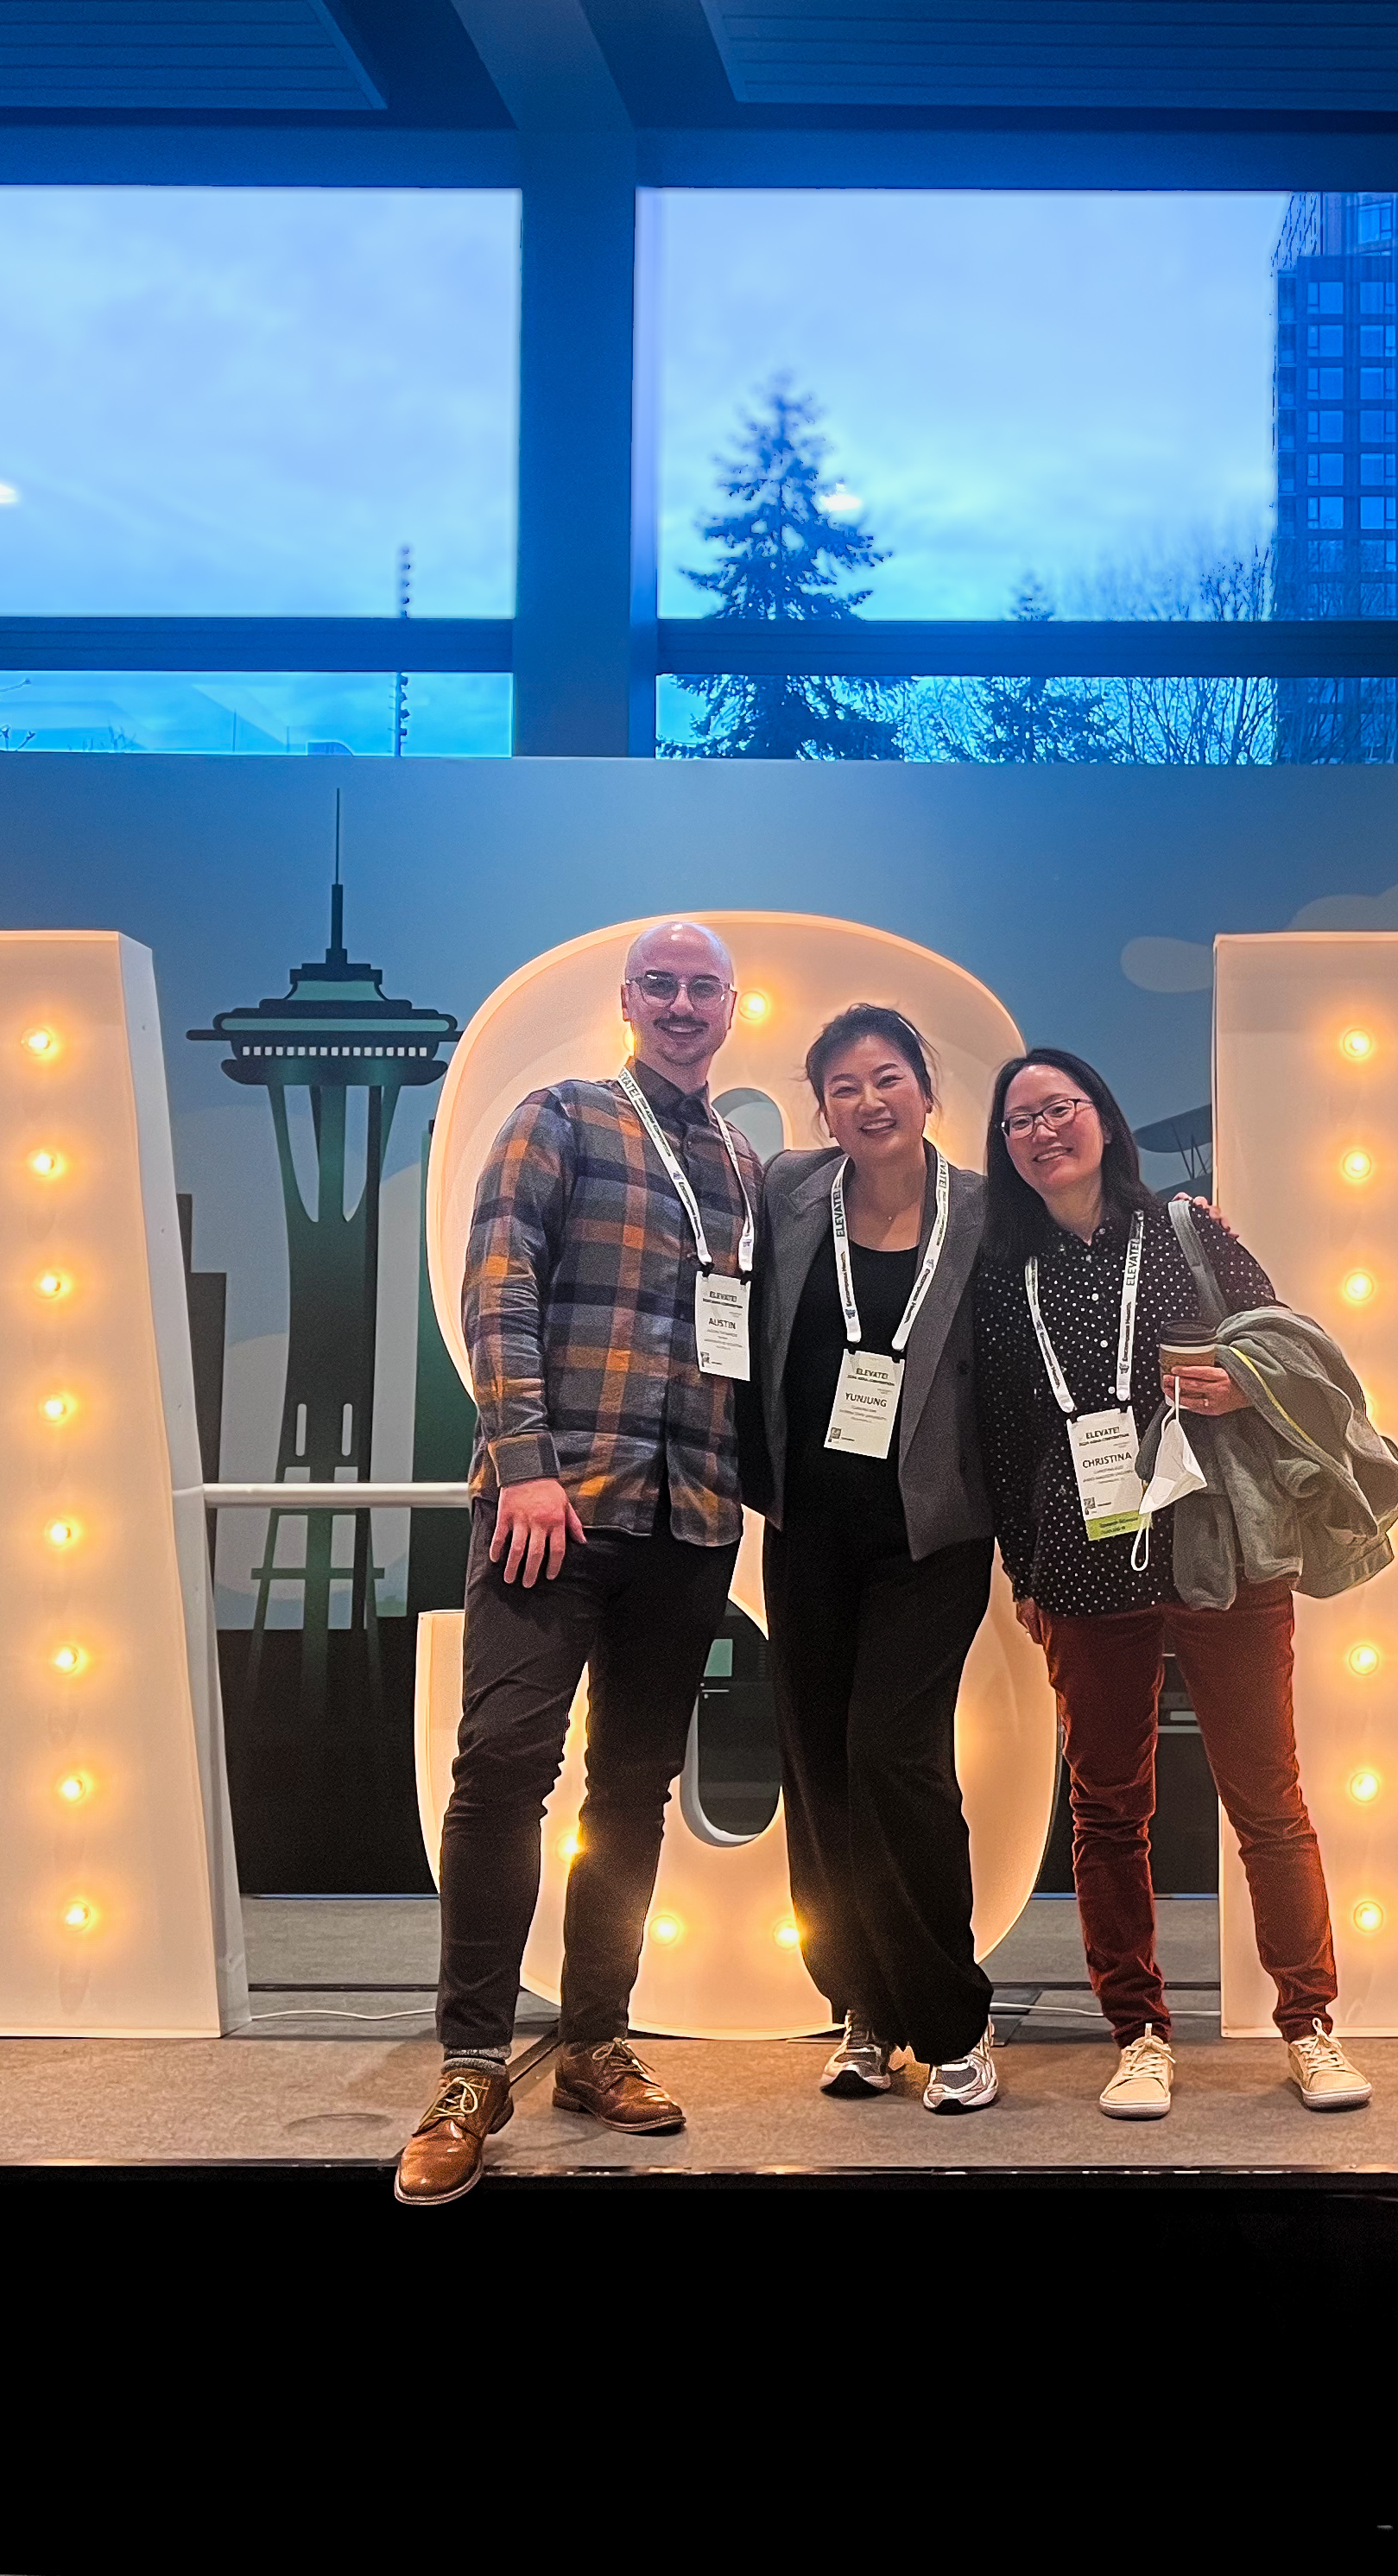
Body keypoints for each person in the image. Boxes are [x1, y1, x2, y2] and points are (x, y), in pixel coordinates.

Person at [396, 917, 765, 2206]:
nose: (679, 1004)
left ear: (732, 1008)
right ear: (628, 1001)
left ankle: (596, 2042)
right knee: (502, 1769)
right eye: (658, 985)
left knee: (634, 1787)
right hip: (551, 1507)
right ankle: (471, 2064)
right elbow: (495, 1285)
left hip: (689, 1518)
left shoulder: (743, 1164)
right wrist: (528, 1459)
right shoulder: (558, 1115)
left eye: (700, 988)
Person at [971, 1047, 1373, 2123]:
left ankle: (1310, 2024)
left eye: (1060, 1108)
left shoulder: (1189, 1226)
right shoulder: (1001, 1275)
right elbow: (1008, 1440)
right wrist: (1024, 1569)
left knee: (1267, 1797)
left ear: (1103, 1117)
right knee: (1107, 1809)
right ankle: (1138, 2031)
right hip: (1082, 1556)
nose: (1044, 1132)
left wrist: (1242, 1381)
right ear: (1003, 1152)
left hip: (1218, 1547)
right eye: (1019, 1123)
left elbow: (1287, 1344)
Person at [747, 1005, 1003, 2113]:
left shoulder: (990, 1213)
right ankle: (861, 2007)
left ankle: (951, 2025)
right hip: (808, 1531)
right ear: (821, 1108)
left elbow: (1094, 1239)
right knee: (816, 1765)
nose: (869, 1101)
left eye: (888, 1077)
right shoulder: (789, 1193)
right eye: (843, 1086)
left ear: (928, 1091)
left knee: (893, 1755)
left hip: (932, 1534)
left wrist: (1177, 1216)